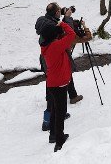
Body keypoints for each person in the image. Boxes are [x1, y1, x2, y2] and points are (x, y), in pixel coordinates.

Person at [35, 3, 83, 135]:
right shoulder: (52, 26)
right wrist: (66, 19)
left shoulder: (45, 21)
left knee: (54, 87)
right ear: (56, 12)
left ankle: (58, 113)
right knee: (54, 92)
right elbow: (69, 34)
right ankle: (48, 122)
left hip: (48, 58)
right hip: (54, 56)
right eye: (59, 10)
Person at [40, 21, 75, 152]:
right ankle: (59, 142)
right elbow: (71, 35)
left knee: (55, 109)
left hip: (53, 83)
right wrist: (63, 24)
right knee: (61, 113)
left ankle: (53, 135)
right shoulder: (55, 46)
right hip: (59, 84)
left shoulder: (47, 46)